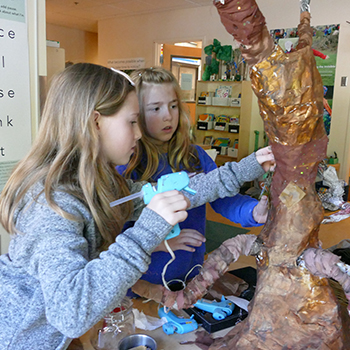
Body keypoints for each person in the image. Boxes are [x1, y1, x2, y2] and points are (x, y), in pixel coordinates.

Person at [0, 63, 273, 350]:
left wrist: (248, 167)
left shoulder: (100, 187)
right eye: (132, 122)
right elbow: (72, 314)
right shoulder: (53, 204)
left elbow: (183, 193)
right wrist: (148, 232)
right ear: (96, 123)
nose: (139, 133)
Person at [117, 67, 274, 293]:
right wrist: (163, 244)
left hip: (191, 278)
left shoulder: (195, 156)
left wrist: (253, 212)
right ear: (136, 113)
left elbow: (223, 197)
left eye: (173, 106)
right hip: (143, 288)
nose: (167, 116)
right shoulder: (128, 165)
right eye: (155, 108)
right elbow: (114, 235)